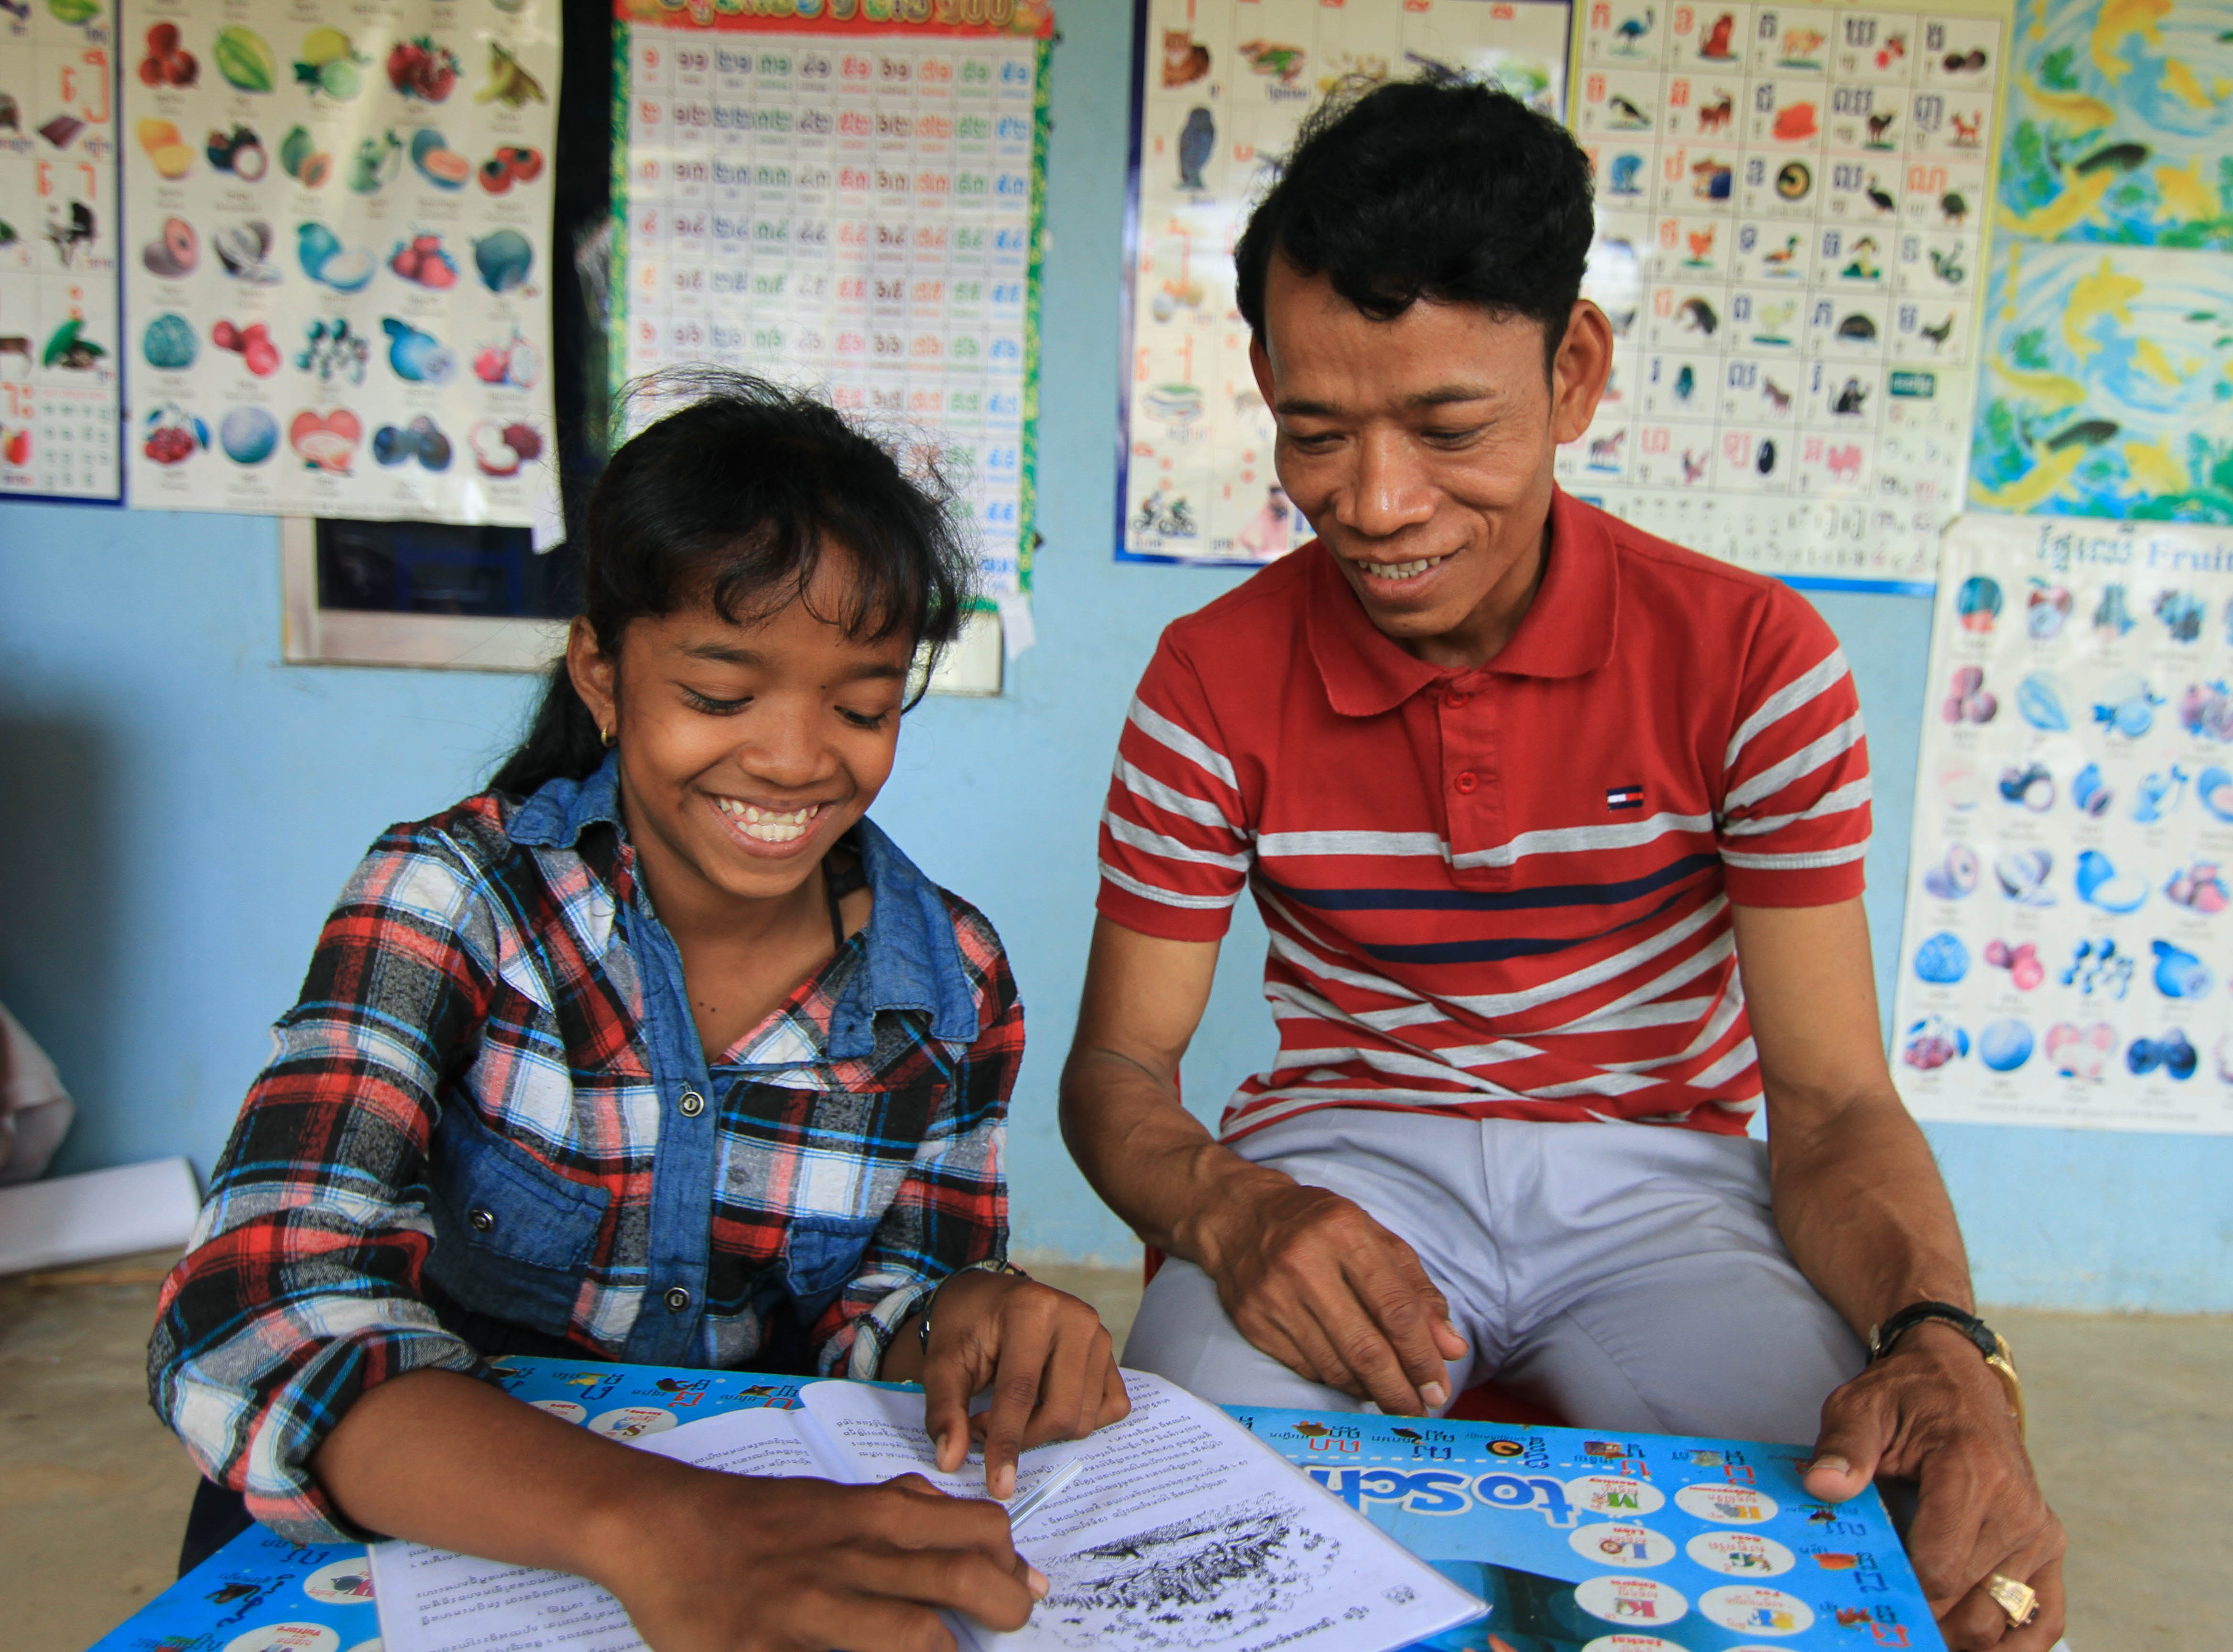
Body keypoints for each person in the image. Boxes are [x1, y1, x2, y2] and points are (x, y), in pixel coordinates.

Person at [1061, 78, 2064, 1651]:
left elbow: (1832, 1106)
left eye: (1448, 427)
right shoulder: (1211, 681)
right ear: (1262, 378)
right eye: (1315, 433)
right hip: (1342, 1169)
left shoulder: (1754, 660)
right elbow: (1121, 1066)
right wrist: (1231, 1210)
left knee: (1883, 1562)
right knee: (1172, 1553)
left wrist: (1942, 1338)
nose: (1377, 505)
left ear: (1573, 370)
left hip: (1672, 1197)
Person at [151, 374, 1126, 1652]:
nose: (792, 758)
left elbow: (890, 1298)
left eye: (862, 704)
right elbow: (256, 1307)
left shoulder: (948, 982)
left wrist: (962, 1320)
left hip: (757, 1513)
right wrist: (662, 1527)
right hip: (443, 1494)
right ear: (603, 671)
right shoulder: (454, 901)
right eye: (722, 696)